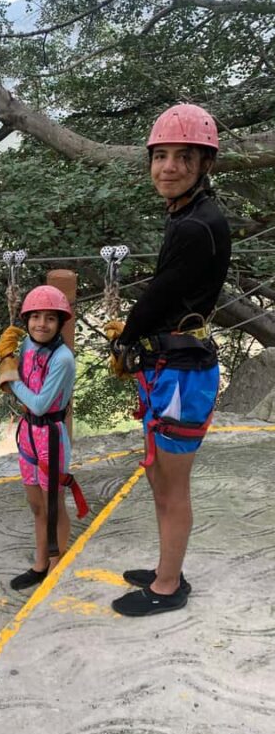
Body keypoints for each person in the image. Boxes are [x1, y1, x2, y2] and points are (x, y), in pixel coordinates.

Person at [108, 103, 231, 617]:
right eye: (160, 156)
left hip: (180, 374)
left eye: (183, 157)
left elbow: (160, 294)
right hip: (174, 367)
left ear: (204, 164)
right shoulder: (190, 214)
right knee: (160, 475)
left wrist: (125, 337)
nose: (169, 167)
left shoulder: (192, 226)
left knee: (171, 483)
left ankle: (167, 587)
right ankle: (168, 567)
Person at [0, 286, 87, 591]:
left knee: (54, 505)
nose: (41, 324)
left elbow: (38, 404)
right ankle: (40, 562)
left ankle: (57, 563)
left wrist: (10, 381)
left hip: (50, 436)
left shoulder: (63, 359)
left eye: (50, 318)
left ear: (60, 323)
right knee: (36, 504)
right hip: (28, 434)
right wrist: (2, 350)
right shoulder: (29, 346)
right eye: (35, 317)